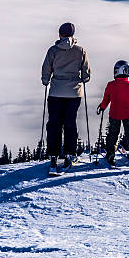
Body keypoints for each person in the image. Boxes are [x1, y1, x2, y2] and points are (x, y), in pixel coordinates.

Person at [41, 22, 91, 175]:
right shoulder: (80, 51)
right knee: (70, 123)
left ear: (60, 34)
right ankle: (70, 155)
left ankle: (54, 157)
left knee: (54, 124)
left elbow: (46, 71)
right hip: (74, 94)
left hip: (56, 92)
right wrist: (81, 79)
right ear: (73, 35)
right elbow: (86, 74)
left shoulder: (53, 51)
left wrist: (46, 80)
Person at [97, 60, 129, 167]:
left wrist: (102, 107)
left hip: (114, 113)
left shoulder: (111, 85)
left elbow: (106, 99)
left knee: (113, 133)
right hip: (128, 113)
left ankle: (111, 153)